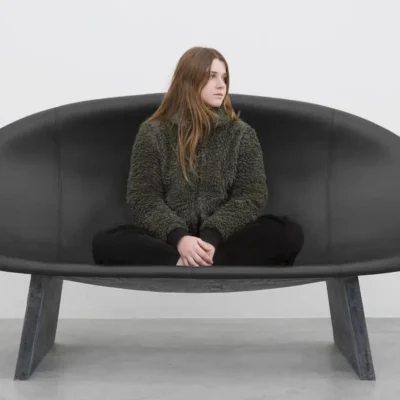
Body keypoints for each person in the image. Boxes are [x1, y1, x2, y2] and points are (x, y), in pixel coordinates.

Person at [92, 46, 304, 267]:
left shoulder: (242, 134)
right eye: (212, 76)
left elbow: (251, 196)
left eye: (224, 77)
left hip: (223, 242)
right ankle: (193, 262)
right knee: (105, 242)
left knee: (287, 232)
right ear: (189, 79)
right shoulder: (153, 133)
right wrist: (180, 239)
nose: (221, 85)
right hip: (169, 242)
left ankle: (195, 262)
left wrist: (211, 238)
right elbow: (143, 198)